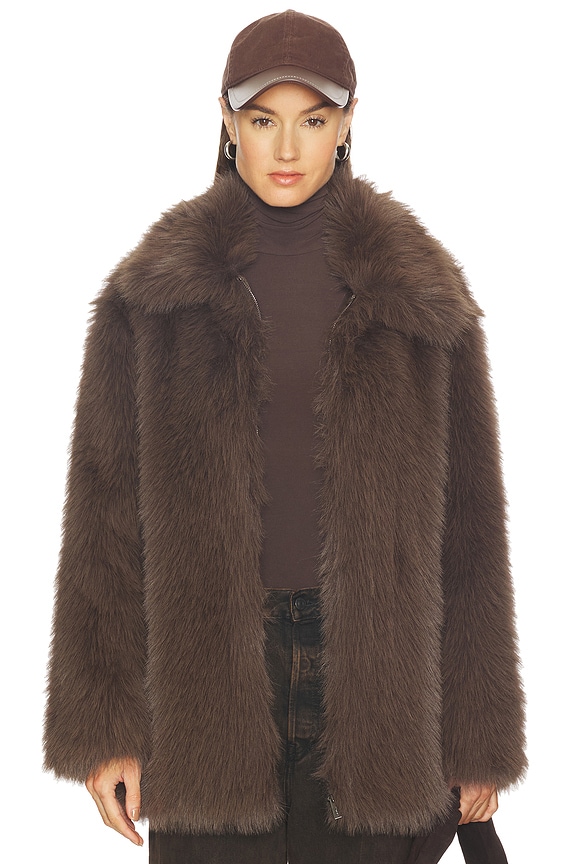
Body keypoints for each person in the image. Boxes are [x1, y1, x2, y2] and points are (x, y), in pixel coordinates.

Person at [43, 10, 526, 864]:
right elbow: (104, 519)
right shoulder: (154, 294)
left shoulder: (420, 294)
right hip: (206, 678)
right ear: (227, 121)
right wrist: (108, 727)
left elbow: (470, 529)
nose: (288, 148)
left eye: (314, 118)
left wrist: (477, 735)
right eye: (264, 119)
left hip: (378, 677)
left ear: (349, 121)